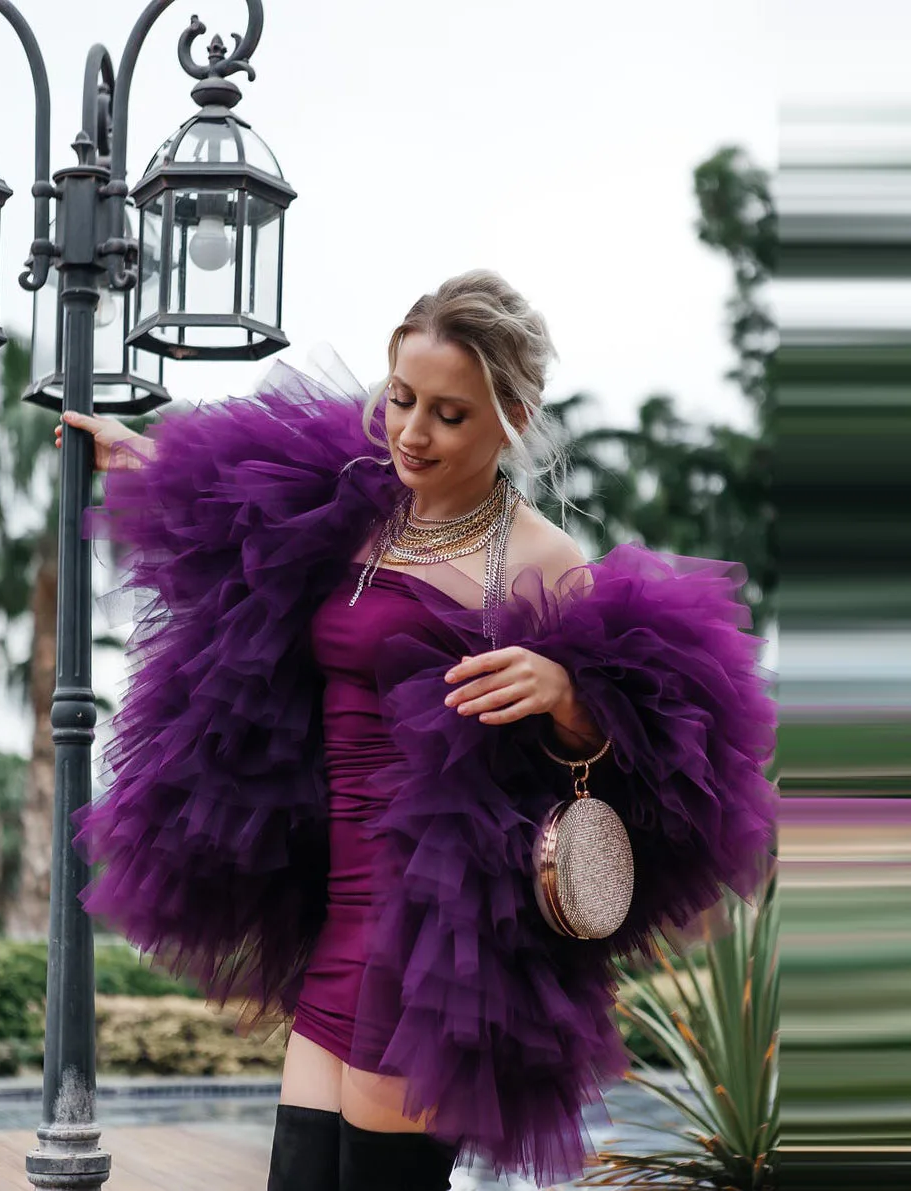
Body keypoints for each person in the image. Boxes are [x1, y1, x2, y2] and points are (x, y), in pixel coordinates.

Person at [58, 271, 776, 1191]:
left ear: (512, 419)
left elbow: (640, 770)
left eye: (449, 414)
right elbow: (236, 528)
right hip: (337, 912)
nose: (411, 432)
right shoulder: (353, 502)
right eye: (400, 398)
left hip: (436, 940)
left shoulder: (543, 559)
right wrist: (142, 458)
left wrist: (569, 694)